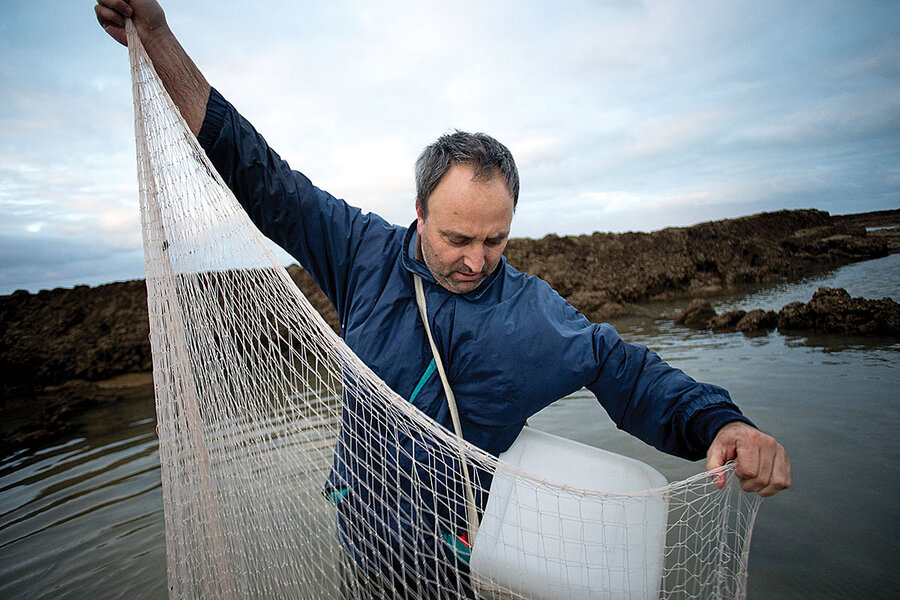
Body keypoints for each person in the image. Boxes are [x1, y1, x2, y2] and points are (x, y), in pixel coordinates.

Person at [97, 0, 791, 594]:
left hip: (456, 572)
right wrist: (157, 37)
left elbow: (628, 373)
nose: (476, 261)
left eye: (495, 240)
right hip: (361, 549)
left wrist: (721, 424)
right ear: (420, 213)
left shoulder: (530, 317)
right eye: (458, 237)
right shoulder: (362, 254)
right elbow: (261, 177)